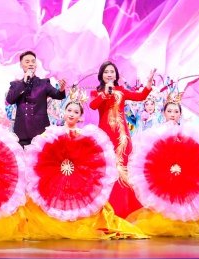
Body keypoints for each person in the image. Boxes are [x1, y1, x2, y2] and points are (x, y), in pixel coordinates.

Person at [23, 93, 147, 240]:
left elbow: (91, 159)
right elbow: (41, 155)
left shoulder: (84, 135)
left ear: (80, 117)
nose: (72, 114)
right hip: (56, 176)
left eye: (76, 112)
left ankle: (74, 224)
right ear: (64, 112)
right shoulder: (52, 134)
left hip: (77, 177)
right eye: (69, 110)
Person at [87, 62, 155, 218]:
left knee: (123, 169)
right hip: (104, 137)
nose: (109, 74)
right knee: (107, 170)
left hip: (122, 137)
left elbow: (141, 96)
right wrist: (105, 93)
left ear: (116, 75)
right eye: (106, 72)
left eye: (112, 71)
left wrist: (148, 84)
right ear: (101, 75)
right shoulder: (97, 92)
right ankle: (106, 208)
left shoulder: (122, 91)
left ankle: (124, 208)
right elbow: (92, 106)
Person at [5, 51, 67, 147]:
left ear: (36, 65)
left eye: (33, 61)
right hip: (21, 131)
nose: (31, 64)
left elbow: (58, 95)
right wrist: (24, 82)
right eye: (27, 61)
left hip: (40, 131)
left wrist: (61, 89)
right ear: (21, 65)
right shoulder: (16, 85)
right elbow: (10, 99)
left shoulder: (44, 83)